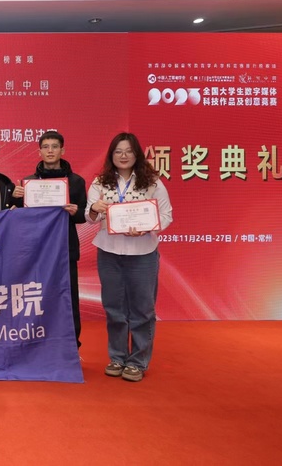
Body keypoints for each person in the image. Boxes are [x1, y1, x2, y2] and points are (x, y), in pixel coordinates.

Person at [85, 132, 172, 382]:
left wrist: (148, 227)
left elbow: (166, 215)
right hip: (109, 252)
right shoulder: (100, 182)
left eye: (129, 151)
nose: (123, 156)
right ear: (111, 155)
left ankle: (138, 362)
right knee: (114, 308)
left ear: (137, 154)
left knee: (143, 310)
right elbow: (90, 217)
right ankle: (117, 357)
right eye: (118, 151)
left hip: (142, 253)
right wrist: (94, 208)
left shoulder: (152, 182)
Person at [21, 131, 87, 348]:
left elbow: (83, 216)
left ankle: (71, 346)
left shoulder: (76, 182)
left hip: (66, 249)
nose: (50, 151)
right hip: (38, 251)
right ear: (39, 151)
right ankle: (39, 346)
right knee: (39, 298)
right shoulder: (29, 183)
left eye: (55, 146)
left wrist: (75, 212)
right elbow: (23, 218)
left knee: (69, 299)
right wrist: (16, 199)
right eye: (46, 147)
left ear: (62, 150)